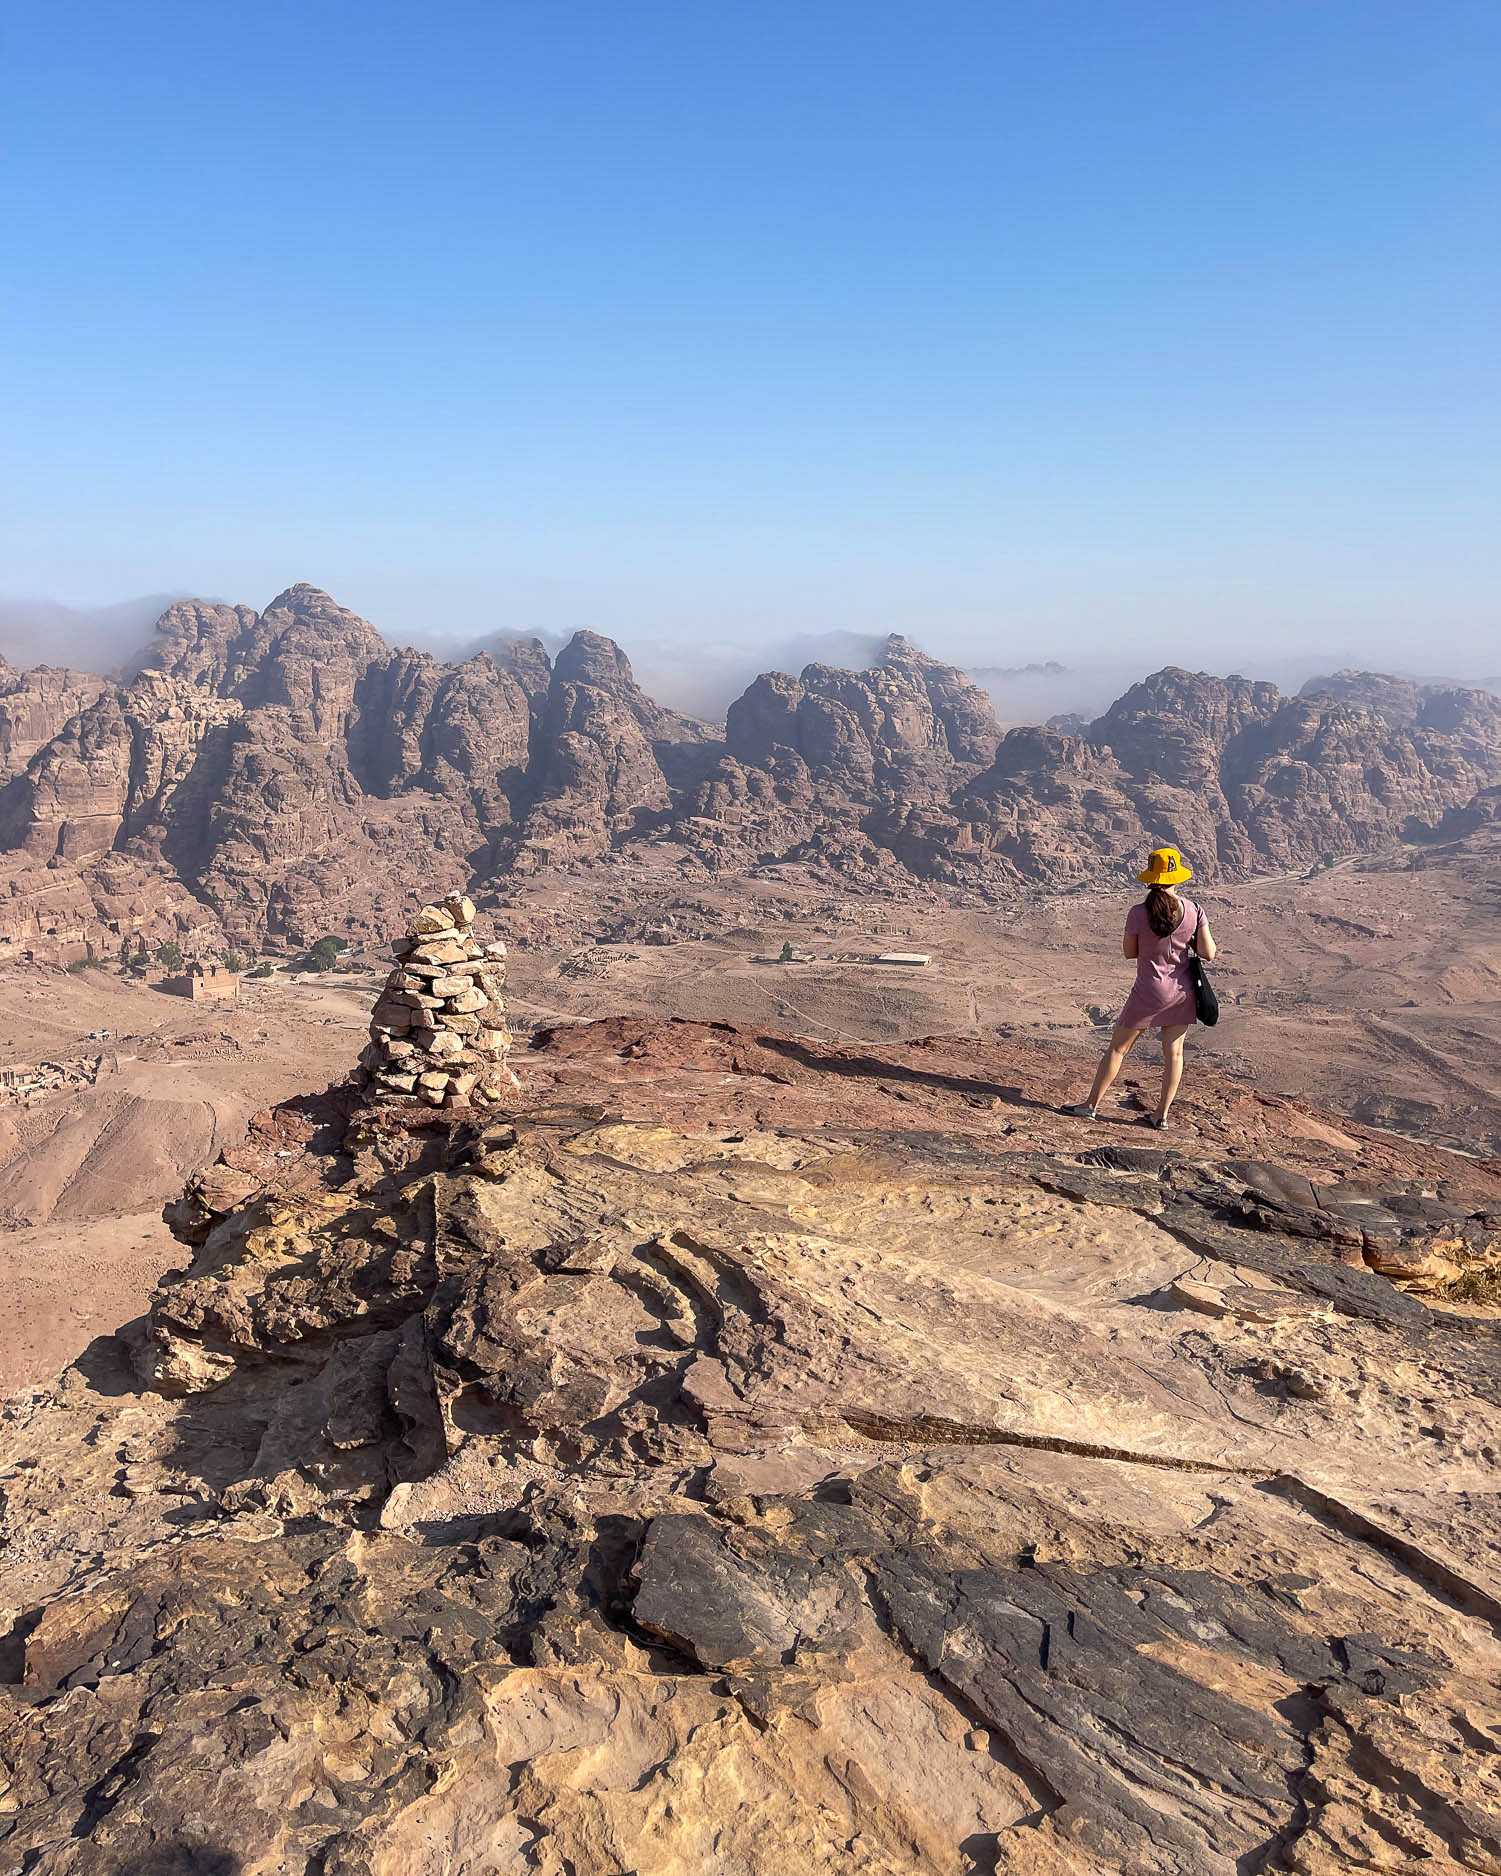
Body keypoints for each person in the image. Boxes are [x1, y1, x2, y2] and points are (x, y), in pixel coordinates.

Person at [1065, 846, 1216, 1129]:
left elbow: (1129, 952)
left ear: (1150, 877)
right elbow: (1209, 953)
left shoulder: (1137, 913)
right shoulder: (1194, 910)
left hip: (1148, 990)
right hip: (1182, 992)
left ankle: (1089, 1106)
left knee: (1118, 1049)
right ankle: (1161, 1116)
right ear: (1176, 877)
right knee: (1174, 1055)